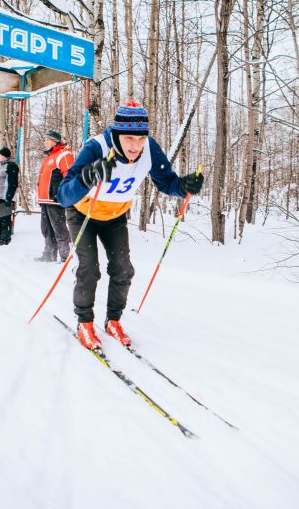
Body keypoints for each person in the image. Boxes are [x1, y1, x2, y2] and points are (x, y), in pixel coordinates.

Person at [57, 101, 204, 350]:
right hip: (83, 213)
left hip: (114, 215)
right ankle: (85, 322)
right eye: (128, 139)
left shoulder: (149, 149)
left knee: (123, 269)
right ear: (116, 134)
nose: (135, 146)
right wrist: (88, 177)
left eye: (141, 138)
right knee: (89, 268)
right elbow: (63, 195)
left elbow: (166, 182)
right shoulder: (97, 148)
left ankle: (113, 320)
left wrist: (184, 186)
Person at [35, 130, 74, 263]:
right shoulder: (50, 156)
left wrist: (64, 194)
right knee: (46, 229)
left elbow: (69, 175)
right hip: (45, 200)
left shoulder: (63, 154)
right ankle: (49, 254)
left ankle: (66, 256)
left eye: (46, 139)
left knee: (59, 229)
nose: (44, 142)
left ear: (54, 141)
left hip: (55, 199)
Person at [0, 147, 19, 246]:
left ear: (4, 156)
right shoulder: (1, 166)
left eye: (0, 155)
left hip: (4, 196)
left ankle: (5, 239)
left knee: (3, 219)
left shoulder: (11, 166)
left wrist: (9, 196)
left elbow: (12, 183)